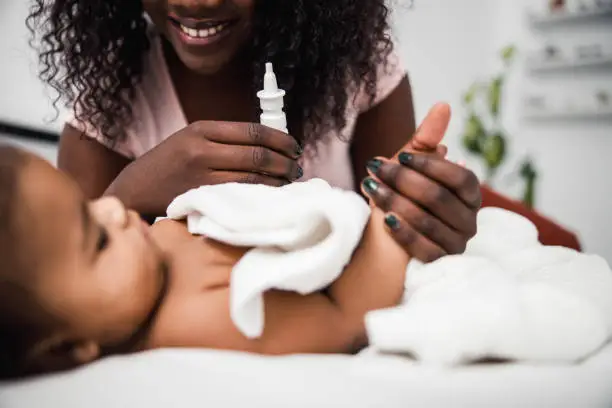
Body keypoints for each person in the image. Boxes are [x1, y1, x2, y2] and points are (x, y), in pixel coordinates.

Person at [28, 0, 481, 262]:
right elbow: (60, 286)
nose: (198, 1)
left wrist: (431, 220)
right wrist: (128, 195)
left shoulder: (358, 68)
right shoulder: (107, 105)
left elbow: (399, 241)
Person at [0, 144, 413, 379]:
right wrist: (393, 217)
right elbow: (343, 320)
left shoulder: (149, 257)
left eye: (89, 203)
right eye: (99, 240)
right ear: (69, 348)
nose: (111, 205)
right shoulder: (193, 320)